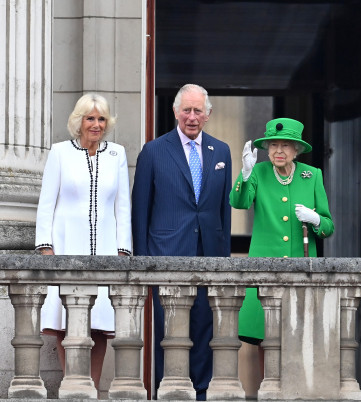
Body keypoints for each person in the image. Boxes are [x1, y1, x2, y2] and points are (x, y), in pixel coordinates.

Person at [131, 84, 232, 400]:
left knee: (204, 326)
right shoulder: (153, 150)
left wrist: (224, 260)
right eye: (186, 110)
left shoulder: (222, 151)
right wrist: (143, 261)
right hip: (165, 256)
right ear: (175, 112)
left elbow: (222, 212)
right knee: (170, 332)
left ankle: (200, 392)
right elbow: (140, 210)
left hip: (208, 256)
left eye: (198, 110)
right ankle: (169, 391)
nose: (192, 116)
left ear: (208, 114)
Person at [35, 93, 132, 392]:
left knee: (100, 324)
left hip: (105, 250)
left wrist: (122, 250)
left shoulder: (117, 153)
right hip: (66, 248)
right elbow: (46, 203)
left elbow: (122, 207)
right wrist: (45, 246)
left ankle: (93, 387)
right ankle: (73, 387)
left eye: (101, 118)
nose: (96, 124)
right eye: (90, 118)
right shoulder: (61, 152)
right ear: (79, 121)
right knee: (66, 321)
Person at [230, 117, 334, 392]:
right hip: (265, 268)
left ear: (296, 150)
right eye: (273, 145)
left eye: (285, 146)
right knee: (267, 337)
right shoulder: (260, 172)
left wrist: (314, 220)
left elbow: (328, 227)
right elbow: (238, 203)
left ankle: (296, 393)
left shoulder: (312, 176)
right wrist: (246, 173)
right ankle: (269, 391)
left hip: (300, 272)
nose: (278, 151)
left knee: (298, 338)